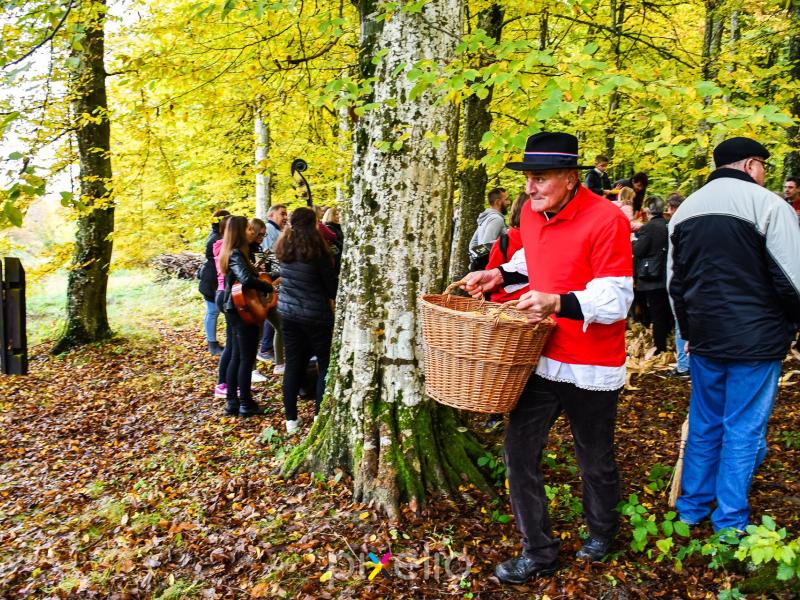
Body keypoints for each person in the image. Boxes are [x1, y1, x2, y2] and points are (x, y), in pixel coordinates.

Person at [462, 132, 633, 583]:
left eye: (541, 178)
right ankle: (538, 550)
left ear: (571, 178)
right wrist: (496, 272)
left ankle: (602, 530)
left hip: (591, 362)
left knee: (593, 456)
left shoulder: (606, 219)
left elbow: (616, 297)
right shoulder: (530, 214)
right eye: (527, 179)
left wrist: (557, 302)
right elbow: (528, 260)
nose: (531, 188)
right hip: (539, 355)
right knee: (518, 453)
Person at [668, 136, 800, 535]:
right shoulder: (770, 206)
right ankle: (729, 521)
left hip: (706, 338)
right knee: (743, 428)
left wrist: (688, 332)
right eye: (762, 164)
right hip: (757, 341)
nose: (764, 173)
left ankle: (691, 509)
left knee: (706, 422)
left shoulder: (685, 211)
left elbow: (676, 284)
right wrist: (791, 328)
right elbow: (793, 281)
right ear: (749, 166)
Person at [274, 207, 339, 434]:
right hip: (315, 315)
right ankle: (318, 415)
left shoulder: (284, 247)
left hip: (288, 314)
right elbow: (332, 289)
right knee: (324, 363)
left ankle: (291, 419)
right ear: (313, 225)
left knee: (293, 364)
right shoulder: (318, 252)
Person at [219, 216, 274, 417]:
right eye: (248, 229)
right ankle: (245, 403)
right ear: (239, 231)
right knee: (245, 358)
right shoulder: (235, 254)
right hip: (240, 310)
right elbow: (246, 279)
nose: (251, 232)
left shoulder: (236, 251)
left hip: (234, 308)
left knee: (237, 356)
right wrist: (267, 286)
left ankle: (232, 402)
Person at [632, 196, 671, 354]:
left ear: (648, 211)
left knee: (656, 313)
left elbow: (638, 251)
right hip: (667, 273)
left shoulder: (649, 228)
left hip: (652, 276)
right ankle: (668, 338)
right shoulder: (668, 225)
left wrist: (633, 242)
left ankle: (659, 346)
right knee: (665, 309)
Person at [249, 218, 285, 378]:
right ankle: (252, 370)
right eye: (259, 235)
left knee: (280, 325)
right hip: (253, 296)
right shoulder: (247, 251)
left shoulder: (259, 250)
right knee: (255, 333)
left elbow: (272, 271)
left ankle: (280, 363)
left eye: (264, 235)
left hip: (266, 294)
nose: (262, 238)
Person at [664, 193, 689, 379]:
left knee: (681, 322)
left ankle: (683, 365)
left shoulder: (677, 223)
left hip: (678, 279)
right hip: (689, 280)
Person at [199, 209, 230, 355]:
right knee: (212, 312)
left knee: (215, 311)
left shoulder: (220, 236)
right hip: (211, 280)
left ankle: (214, 343)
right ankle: (212, 343)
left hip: (214, 279)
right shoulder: (216, 239)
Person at [212, 216, 232, 399]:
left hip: (225, 293)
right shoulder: (223, 247)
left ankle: (227, 383)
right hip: (225, 294)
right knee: (232, 344)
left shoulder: (224, 246)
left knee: (233, 344)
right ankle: (222, 384)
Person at [468, 187, 509, 270]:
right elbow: (487, 245)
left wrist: (475, 264)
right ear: (498, 202)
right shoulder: (496, 219)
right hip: (491, 268)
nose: (509, 202)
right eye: (506, 199)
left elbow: (473, 243)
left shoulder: (485, 218)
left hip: (484, 268)